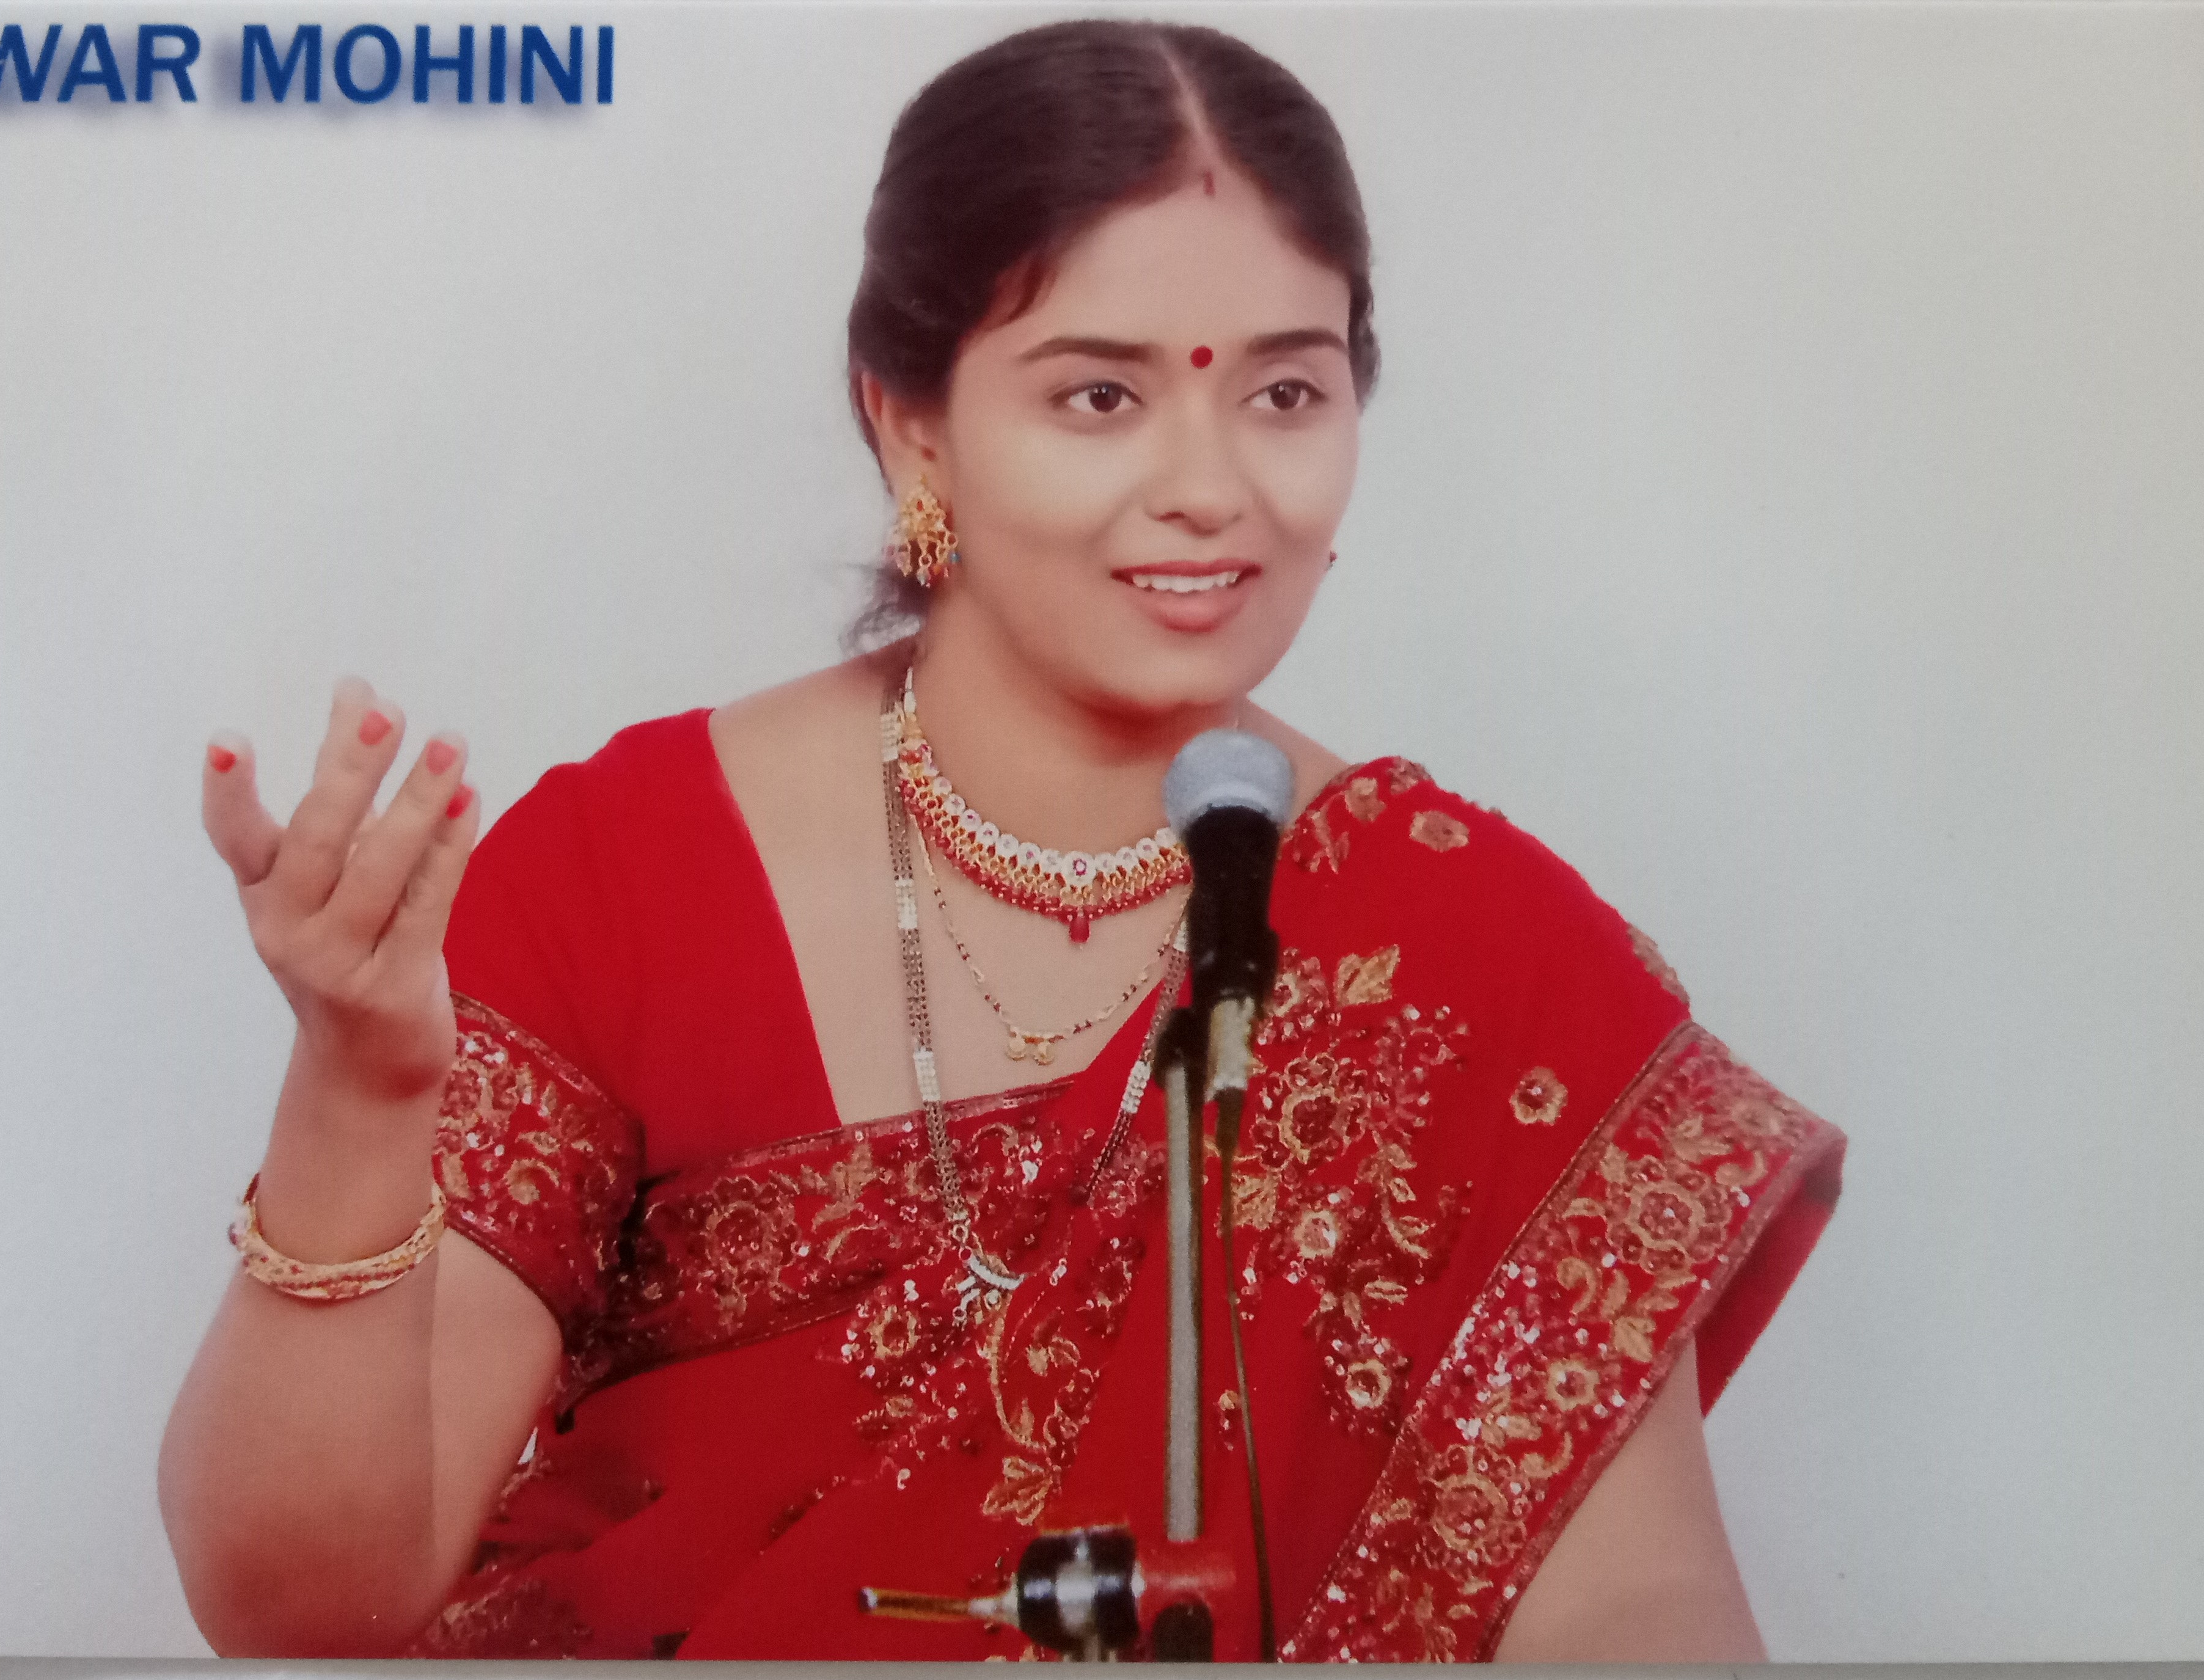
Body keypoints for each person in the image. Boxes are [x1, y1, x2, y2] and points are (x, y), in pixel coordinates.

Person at [158, 18, 1843, 1662]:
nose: (1211, 487)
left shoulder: (1481, 956)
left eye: (1285, 391)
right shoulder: (623, 879)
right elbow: (308, 1611)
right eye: (1100, 395)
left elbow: (1636, 1611)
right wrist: (358, 1099)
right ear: (911, 425)